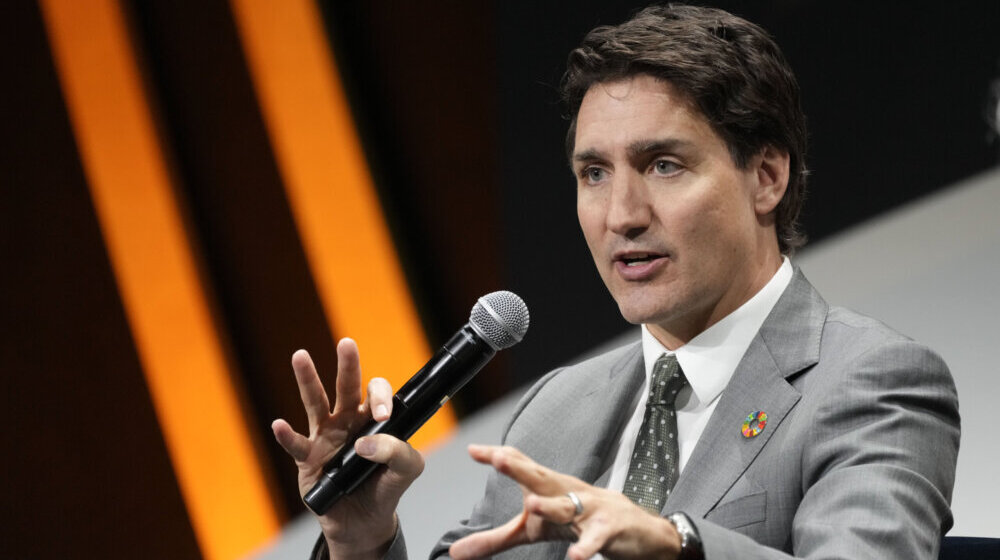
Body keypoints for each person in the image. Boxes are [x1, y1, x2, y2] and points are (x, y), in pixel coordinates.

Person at [271, 5, 960, 559]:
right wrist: (361, 540)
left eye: (663, 164)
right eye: (594, 174)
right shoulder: (557, 408)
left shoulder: (871, 382)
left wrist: (676, 543)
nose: (622, 216)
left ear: (766, 177)